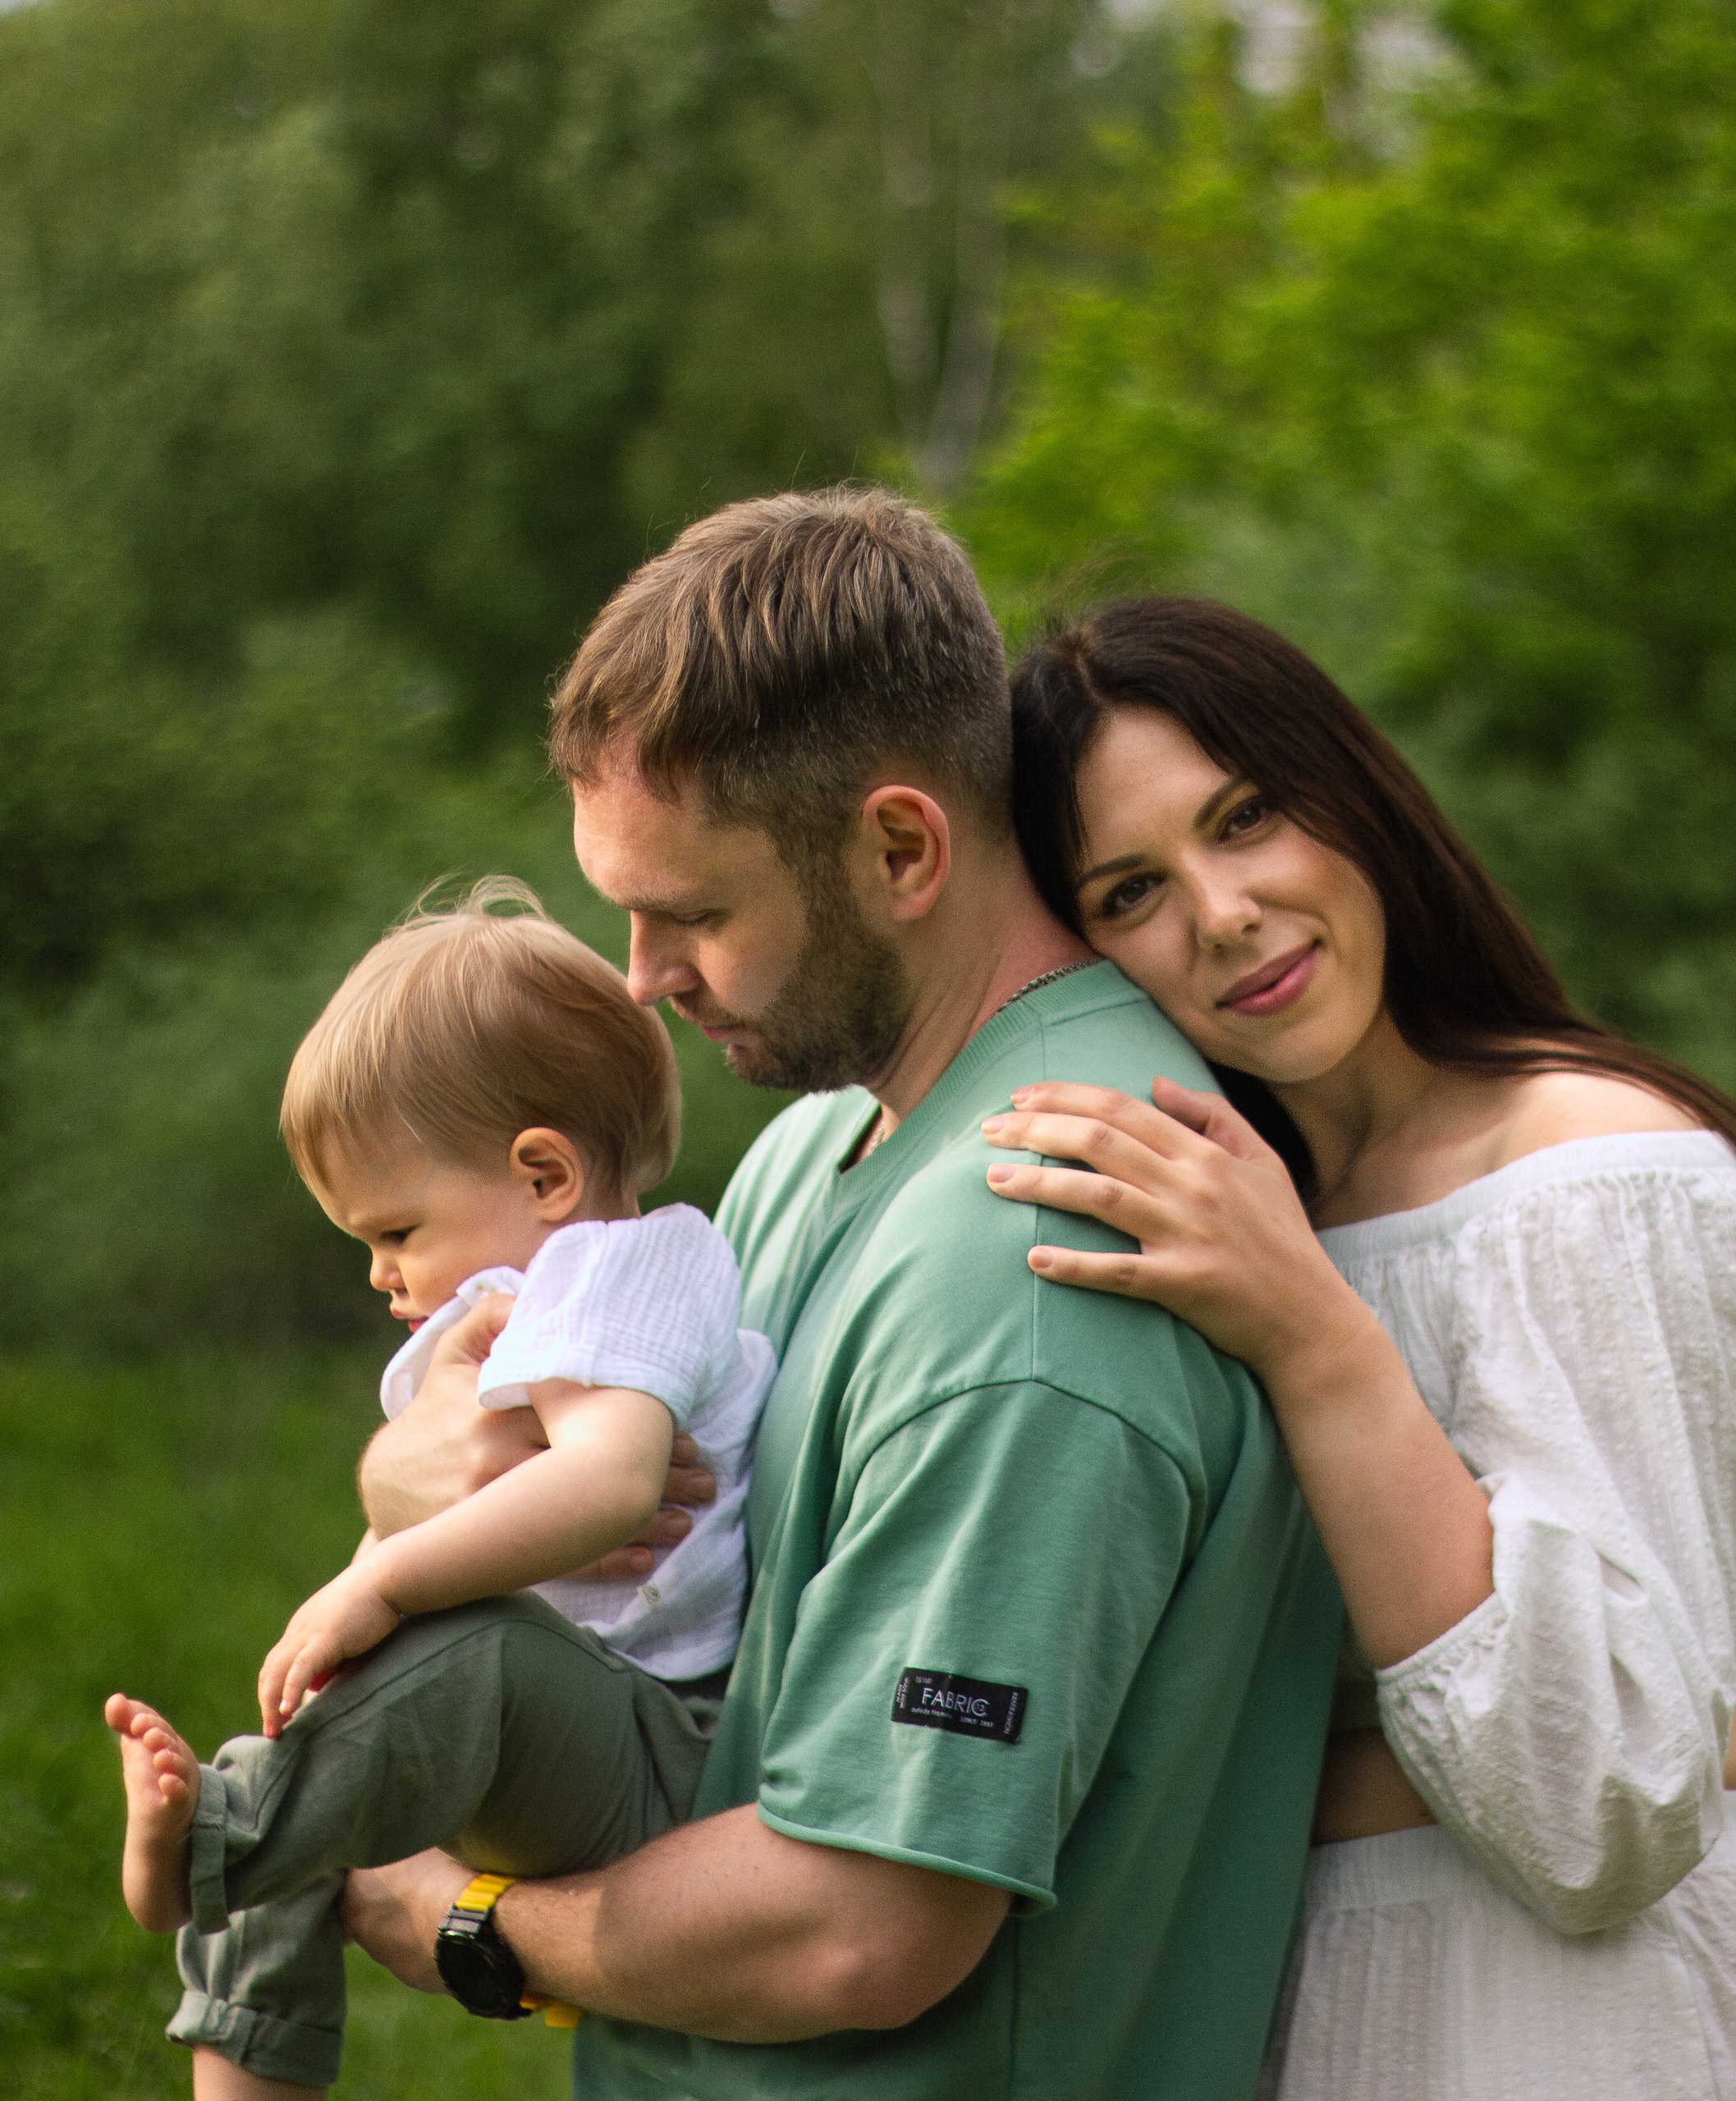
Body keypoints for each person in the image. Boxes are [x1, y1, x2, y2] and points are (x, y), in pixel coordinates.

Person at [338, 491, 1342, 2101]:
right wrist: (422, 1483)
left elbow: (864, 1927)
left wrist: (472, 1926)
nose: (640, 975)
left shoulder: (1044, 1261)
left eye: (694, 913)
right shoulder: (815, 1146)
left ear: (900, 849)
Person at [982, 597, 1736, 2099]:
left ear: (1356, 793)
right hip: (1291, 2012)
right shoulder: (1230, 1215)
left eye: (1249, 816)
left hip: (1585, 2027)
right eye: (1132, 889)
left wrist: (1315, 1340)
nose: (1222, 914)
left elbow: (1598, 1809)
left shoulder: (1590, 1181)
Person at [105, 881, 772, 2098]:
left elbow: (614, 1481)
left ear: (545, 1174)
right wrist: (356, 1617)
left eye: (397, 1231)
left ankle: (215, 1839)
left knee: (446, 1658)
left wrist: (388, 1586)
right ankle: (243, 2023)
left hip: (671, 1746)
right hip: (574, 1732)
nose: (379, 1272)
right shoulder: (502, 1308)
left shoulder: (626, 1271)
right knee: (322, 1741)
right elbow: (435, 1518)